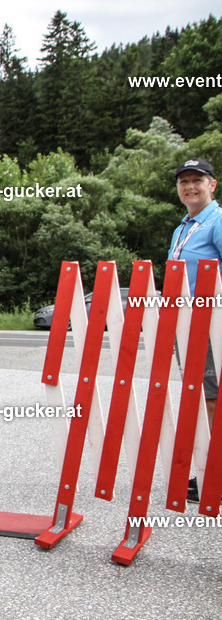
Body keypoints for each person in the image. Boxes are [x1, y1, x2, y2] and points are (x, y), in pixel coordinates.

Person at [170, 158, 221, 502]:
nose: (190, 186)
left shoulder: (216, 221)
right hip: (184, 322)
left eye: (197, 180)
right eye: (184, 181)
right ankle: (206, 467)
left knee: (212, 394)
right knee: (197, 394)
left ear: (212, 185)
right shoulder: (183, 226)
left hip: (210, 322)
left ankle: (215, 472)